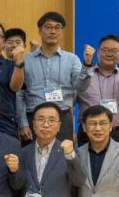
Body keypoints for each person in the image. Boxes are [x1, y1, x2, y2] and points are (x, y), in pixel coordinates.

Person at [19, 12, 89, 142]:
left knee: (62, 154)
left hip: (62, 116)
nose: (53, 31)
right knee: (31, 154)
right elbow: (20, 94)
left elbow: (80, 87)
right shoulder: (26, 60)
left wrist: (87, 65)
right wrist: (23, 123)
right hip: (33, 117)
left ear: (61, 32)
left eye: (57, 27)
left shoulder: (72, 59)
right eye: (48, 27)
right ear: (40, 30)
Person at [77, 34, 119, 146]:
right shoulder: (84, 74)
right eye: (105, 50)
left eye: (114, 50)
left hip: (118, 133)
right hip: (88, 133)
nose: (109, 54)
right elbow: (72, 98)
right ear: (98, 52)